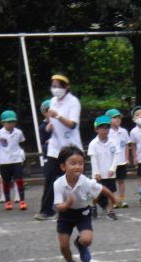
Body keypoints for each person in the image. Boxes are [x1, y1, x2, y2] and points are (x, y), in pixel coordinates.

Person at [54, 146, 117, 262]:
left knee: (87, 240)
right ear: (63, 166)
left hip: (82, 213)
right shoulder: (58, 184)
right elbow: (58, 206)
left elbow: (102, 189)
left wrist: (112, 198)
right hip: (65, 215)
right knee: (64, 245)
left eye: (81, 163)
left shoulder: (86, 182)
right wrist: (66, 205)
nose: (78, 166)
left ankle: (80, 244)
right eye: (73, 163)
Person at [35, 74, 82, 221]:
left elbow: (72, 124)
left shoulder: (73, 102)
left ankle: (87, 205)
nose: (55, 89)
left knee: (76, 178)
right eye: (53, 86)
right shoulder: (52, 101)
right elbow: (52, 123)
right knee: (50, 178)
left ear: (66, 87)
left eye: (58, 86)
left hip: (70, 146)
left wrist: (57, 116)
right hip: (55, 147)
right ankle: (46, 210)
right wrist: (49, 127)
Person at [0, 110, 27, 210]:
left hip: (16, 160)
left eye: (13, 122)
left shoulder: (18, 132)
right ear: (3, 123)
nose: (11, 124)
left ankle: (22, 200)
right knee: (6, 182)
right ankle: (7, 201)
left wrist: (21, 154)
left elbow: (22, 143)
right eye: (9, 122)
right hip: (4, 161)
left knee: (19, 180)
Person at [87, 115, 119, 220]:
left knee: (110, 192)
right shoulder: (93, 144)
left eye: (107, 127)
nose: (105, 130)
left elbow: (116, 156)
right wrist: (96, 172)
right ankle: (93, 206)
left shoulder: (113, 142)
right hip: (98, 174)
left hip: (110, 173)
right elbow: (93, 159)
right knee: (96, 193)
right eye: (102, 127)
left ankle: (110, 210)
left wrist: (112, 169)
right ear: (96, 129)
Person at [106, 108, 130, 208]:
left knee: (121, 180)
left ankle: (122, 199)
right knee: (111, 182)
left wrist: (127, 158)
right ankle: (113, 199)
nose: (117, 119)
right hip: (111, 162)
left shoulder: (123, 131)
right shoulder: (107, 132)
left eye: (119, 117)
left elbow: (126, 145)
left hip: (121, 161)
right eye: (114, 118)